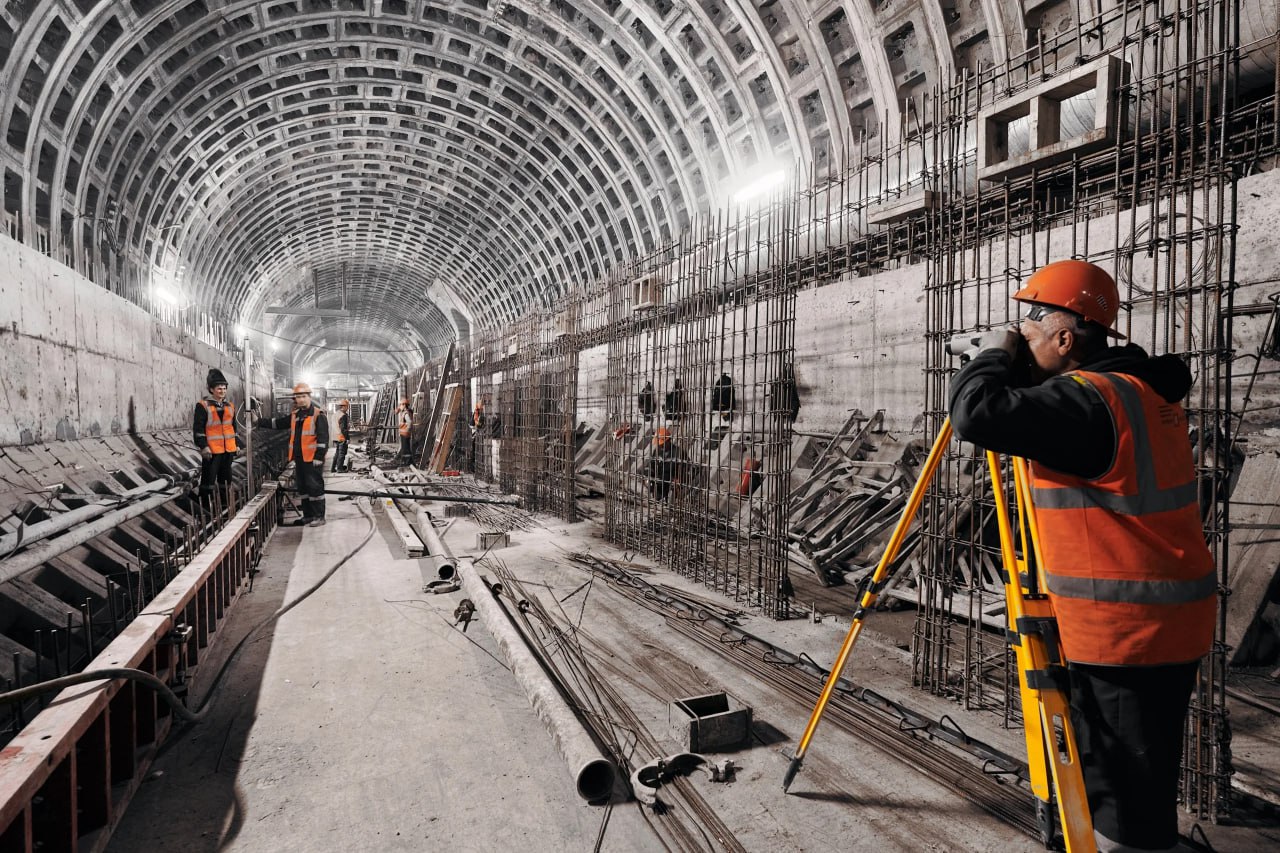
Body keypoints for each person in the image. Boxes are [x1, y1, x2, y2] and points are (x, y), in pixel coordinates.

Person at [948, 259, 1216, 853]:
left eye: (1032, 325)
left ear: (1066, 338)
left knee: (1125, 805)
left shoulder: (1091, 402)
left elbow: (975, 415)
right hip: (1160, 616)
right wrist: (1015, 361)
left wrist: (990, 357)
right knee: (1137, 779)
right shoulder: (1136, 388)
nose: (1023, 334)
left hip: (1129, 629)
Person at [257, 382, 329, 527]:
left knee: (314, 487)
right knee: (303, 487)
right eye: (298, 397)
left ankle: (319, 516)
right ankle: (308, 516)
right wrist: (258, 421)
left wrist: (319, 457)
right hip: (300, 458)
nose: (300, 399)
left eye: (303, 396)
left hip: (312, 459)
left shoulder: (317, 415)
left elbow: (323, 439)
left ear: (309, 396)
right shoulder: (296, 415)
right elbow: (279, 423)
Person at [193, 368, 237, 507]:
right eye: (219, 388)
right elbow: (198, 429)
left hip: (228, 450)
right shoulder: (203, 406)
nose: (222, 391)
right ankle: (204, 510)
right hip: (212, 452)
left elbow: (233, 428)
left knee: (226, 481)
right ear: (211, 389)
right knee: (208, 482)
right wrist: (203, 446)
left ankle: (225, 508)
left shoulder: (230, 406)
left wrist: (236, 444)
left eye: (224, 388)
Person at [331, 399, 350, 473]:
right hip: (341, 436)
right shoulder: (343, 416)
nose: (347, 408)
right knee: (342, 453)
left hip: (335, 436)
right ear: (344, 406)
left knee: (337, 453)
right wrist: (347, 438)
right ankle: (339, 468)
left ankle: (333, 468)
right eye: (347, 406)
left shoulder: (335, 414)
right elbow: (343, 429)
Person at [397, 397, 413, 468]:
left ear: (404, 405)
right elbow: (396, 411)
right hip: (405, 433)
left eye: (400, 405)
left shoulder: (405, 413)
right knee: (406, 448)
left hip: (404, 434)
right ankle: (409, 462)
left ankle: (406, 462)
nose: (400, 406)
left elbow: (409, 422)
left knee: (405, 449)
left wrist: (408, 429)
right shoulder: (405, 412)